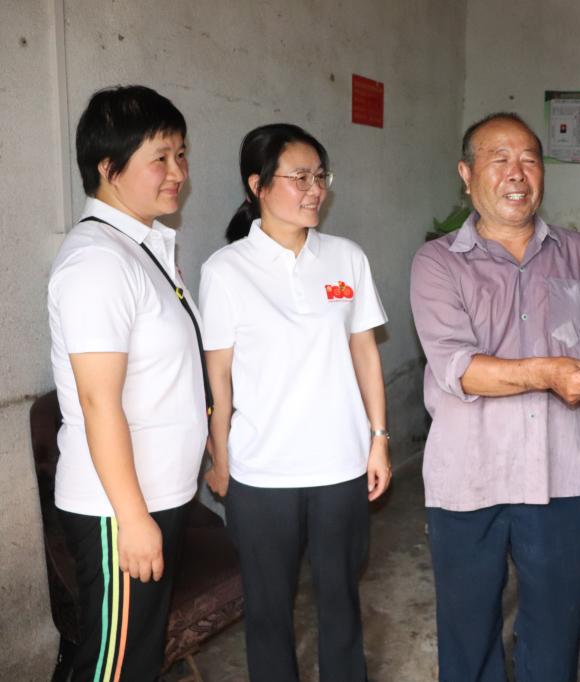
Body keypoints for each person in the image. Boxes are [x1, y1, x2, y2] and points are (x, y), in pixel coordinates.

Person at [410, 112, 580, 681]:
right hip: (469, 475)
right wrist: (548, 372)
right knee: (467, 630)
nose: (517, 174)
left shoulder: (578, 252)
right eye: (499, 160)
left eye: (529, 160)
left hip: (557, 474)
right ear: (466, 174)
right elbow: (459, 368)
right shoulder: (438, 263)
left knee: (555, 628)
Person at [199, 123, 390, 682]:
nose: (315, 190)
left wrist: (379, 440)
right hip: (262, 472)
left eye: (320, 177)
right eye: (299, 177)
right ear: (257, 184)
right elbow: (218, 379)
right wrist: (221, 460)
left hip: (340, 466)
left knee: (341, 600)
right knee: (267, 610)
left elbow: (365, 354)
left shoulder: (346, 258)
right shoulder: (225, 269)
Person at [47, 85, 206, 681]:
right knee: (114, 667)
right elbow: (98, 403)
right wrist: (133, 519)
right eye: (160, 157)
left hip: (152, 494)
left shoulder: (141, 247)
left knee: (133, 658)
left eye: (181, 154)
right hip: (118, 507)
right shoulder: (98, 261)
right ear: (108, 167)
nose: (178, 172)